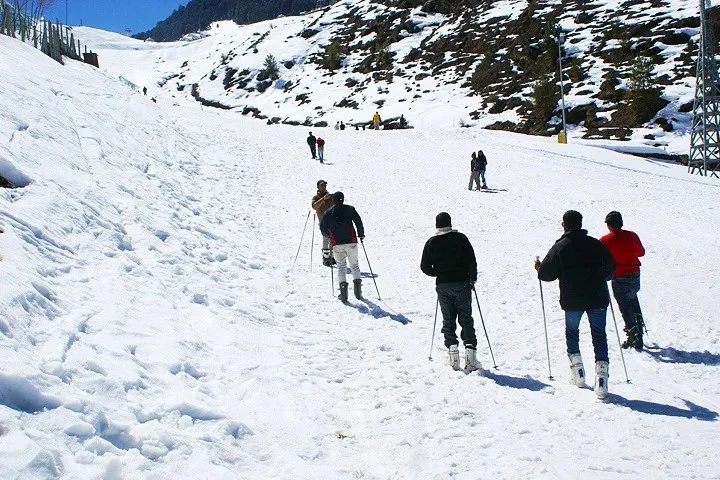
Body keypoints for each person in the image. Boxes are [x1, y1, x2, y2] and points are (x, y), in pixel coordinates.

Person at [535, 210, 615, 400]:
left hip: (573, 299)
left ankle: (577, 373)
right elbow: (611, 267)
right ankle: (602, 380)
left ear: (565, 225)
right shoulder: (596, 244)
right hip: (597, 297)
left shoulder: (560, 247)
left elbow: (546, 274)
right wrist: (601, 276)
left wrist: (539, 267)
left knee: (572, 332)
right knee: (599, 335)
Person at [421, 212, 481, 371]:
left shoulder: (431, 242)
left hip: (443, 285)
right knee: (466, 318)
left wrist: (438, 273)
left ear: (436, 225)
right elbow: (471, 260)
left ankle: (453, 353)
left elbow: (424, 267)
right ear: (450, 223)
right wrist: (472, 278)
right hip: (462, 283)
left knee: (448, 319)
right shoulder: (461, 238)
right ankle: (471, 355)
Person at [600, 211, 646, 351]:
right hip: (635, 275)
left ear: (609, 225)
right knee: (633, 298)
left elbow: (602, 259)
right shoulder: (632, 236)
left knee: (625, 306)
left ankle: (634, 334)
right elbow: (641, 253)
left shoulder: (605, 240)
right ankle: (639, 324)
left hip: (619, 276)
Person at [320, 192, 365, 303]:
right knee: (354, 265)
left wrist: (329, 236)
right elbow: (358, 221)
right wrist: (361, 234)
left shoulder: (328, 212)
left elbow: (322, 227)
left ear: (333, 201)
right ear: (343, 199)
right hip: (351, 242)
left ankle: (344, 295)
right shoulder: (350, 209)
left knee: (341, 267)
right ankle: (358, 293)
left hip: (337, 243)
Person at [311, 180, 335, 267]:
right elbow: (314, 206)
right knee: (326, 238)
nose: (324, 187)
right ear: (318, 187)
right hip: (323, 221)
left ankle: (332, 257)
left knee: (333, 238)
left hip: (332, 221)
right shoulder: (316, 197)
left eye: (325, 185)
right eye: (322, 186)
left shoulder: (330, 197)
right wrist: (323, 199)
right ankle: (326, 258)